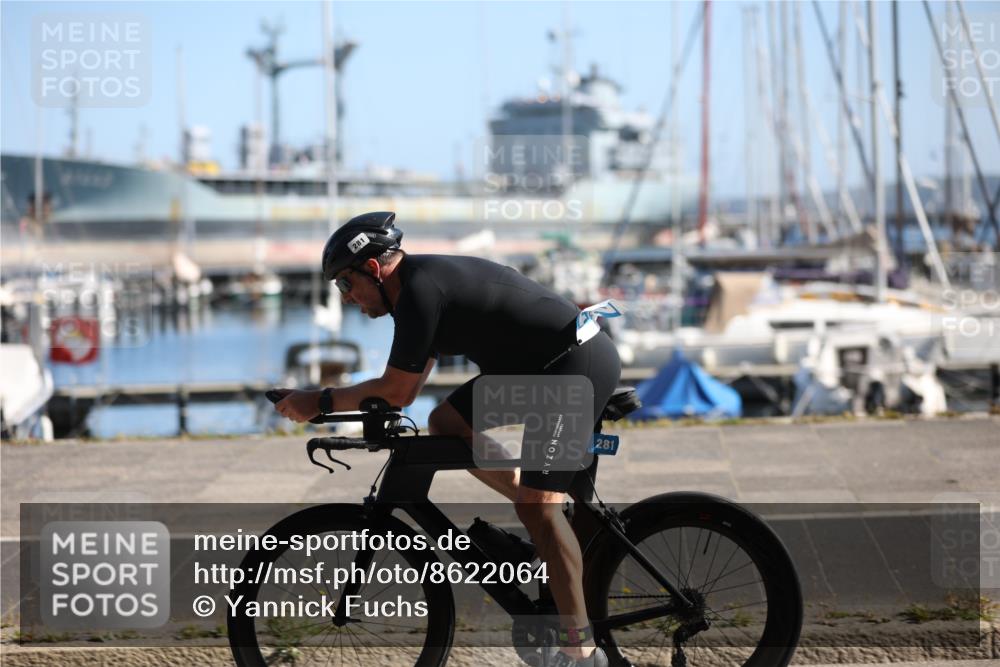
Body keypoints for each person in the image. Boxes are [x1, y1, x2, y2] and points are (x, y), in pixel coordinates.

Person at [274, 211, 620, 667]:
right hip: (538, 371)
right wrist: (337, 402)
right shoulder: (415, 294)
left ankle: (582, 653)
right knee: (446, 422)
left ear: (373, 268)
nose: (346, 297)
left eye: (345, 283)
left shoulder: (420, 290)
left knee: (539, 507)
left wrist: (319, 401)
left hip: (571, 368)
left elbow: (395, 390)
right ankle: (547, 533)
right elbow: (407, 389)